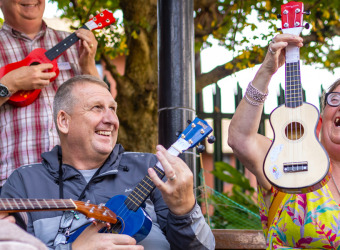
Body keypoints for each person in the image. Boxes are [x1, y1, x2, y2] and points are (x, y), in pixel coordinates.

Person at [0, 75, 215, 250]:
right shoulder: (24, 181)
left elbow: (202, 249)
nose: (111, 119)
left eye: (113, 109)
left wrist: (185, 209)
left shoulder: (151, 169)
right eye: (97, 108)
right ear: (64, 121)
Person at [228, 33, 340, 248]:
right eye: (335, 99)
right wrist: (266, 71)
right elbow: (240, 138)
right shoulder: (283, 162)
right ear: (319, 118)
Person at [0, 0, 99, 191]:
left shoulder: (73, 44)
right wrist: (10, 84)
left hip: (79, 180)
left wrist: (88, 66)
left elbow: (102, 110)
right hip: (12, 181)